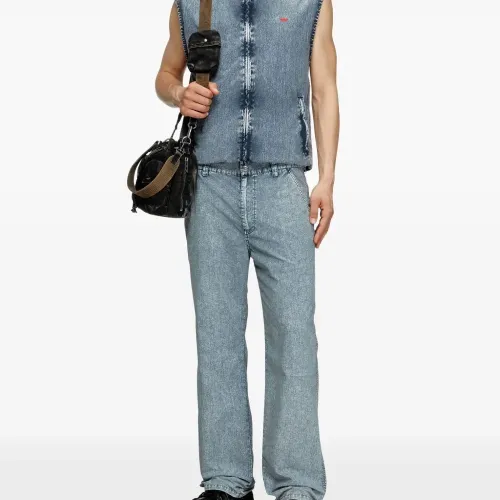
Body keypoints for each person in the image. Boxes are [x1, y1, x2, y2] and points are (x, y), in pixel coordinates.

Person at [155, 1, 339, 499]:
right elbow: (166, 73)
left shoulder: (310, 2)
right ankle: (225, 480)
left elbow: (324, 86)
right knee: (217, 337)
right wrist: (179, 94)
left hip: (283, 184)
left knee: (294, 336)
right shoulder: (191, 3)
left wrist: (326, 179)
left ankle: (297, 483)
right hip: (209, 184)